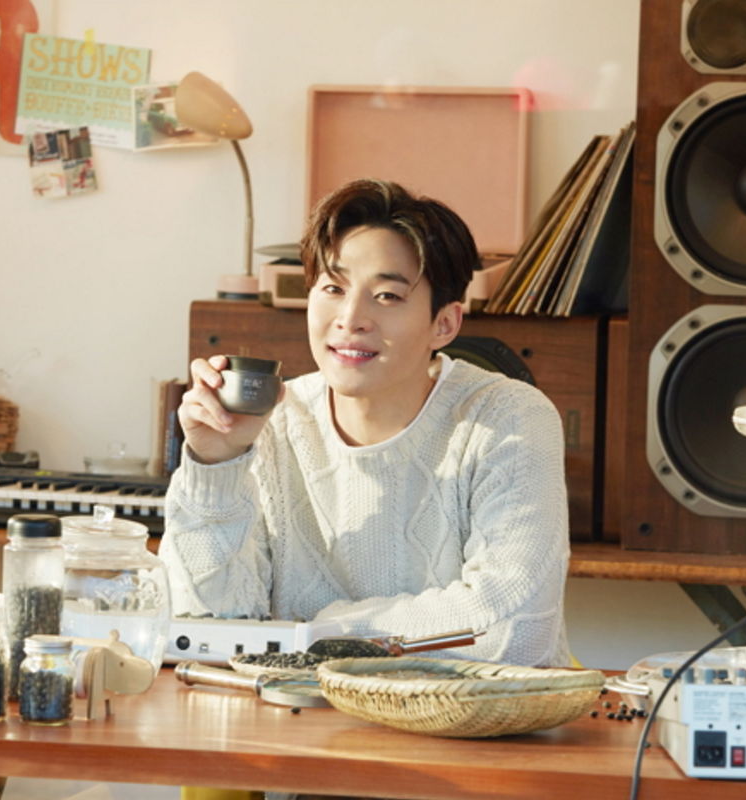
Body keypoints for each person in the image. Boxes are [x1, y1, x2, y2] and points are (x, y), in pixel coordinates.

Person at [160, 178, 570, 668]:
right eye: (333, 288)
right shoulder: (274, 422)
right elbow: (203, 630)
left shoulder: (508, 418)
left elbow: (515, 630)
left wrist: (321, 632)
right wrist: (214, 465)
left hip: (468, 715)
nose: (351, 318)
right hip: (299, 710)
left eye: (388, 296)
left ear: (445, 323)